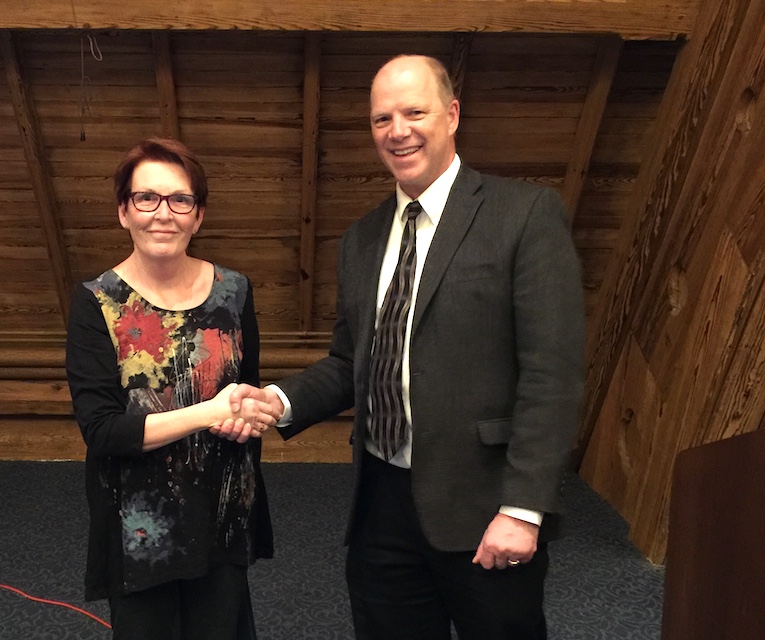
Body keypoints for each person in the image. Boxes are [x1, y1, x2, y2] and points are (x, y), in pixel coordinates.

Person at [221, 55, 586, 639]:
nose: (398, 130)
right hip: (381, 501)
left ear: (452, 113)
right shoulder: (362, 239)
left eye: (414, 112)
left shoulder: (524, 215)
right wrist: (277, 402)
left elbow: (553, 374)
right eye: (381, 118)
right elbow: (350, 362)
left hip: (484, 500)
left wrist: (523, 509)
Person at [65, 137, 277, 640]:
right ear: (124, 211)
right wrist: (208, 412)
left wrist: (246, 415)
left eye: (180, 200)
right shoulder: (96, 302)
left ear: (198, 215)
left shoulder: (234, 291)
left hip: (222, 506)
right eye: (146, 198)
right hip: (140, 522)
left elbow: (244, 391)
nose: (164, 213)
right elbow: (103, 431)